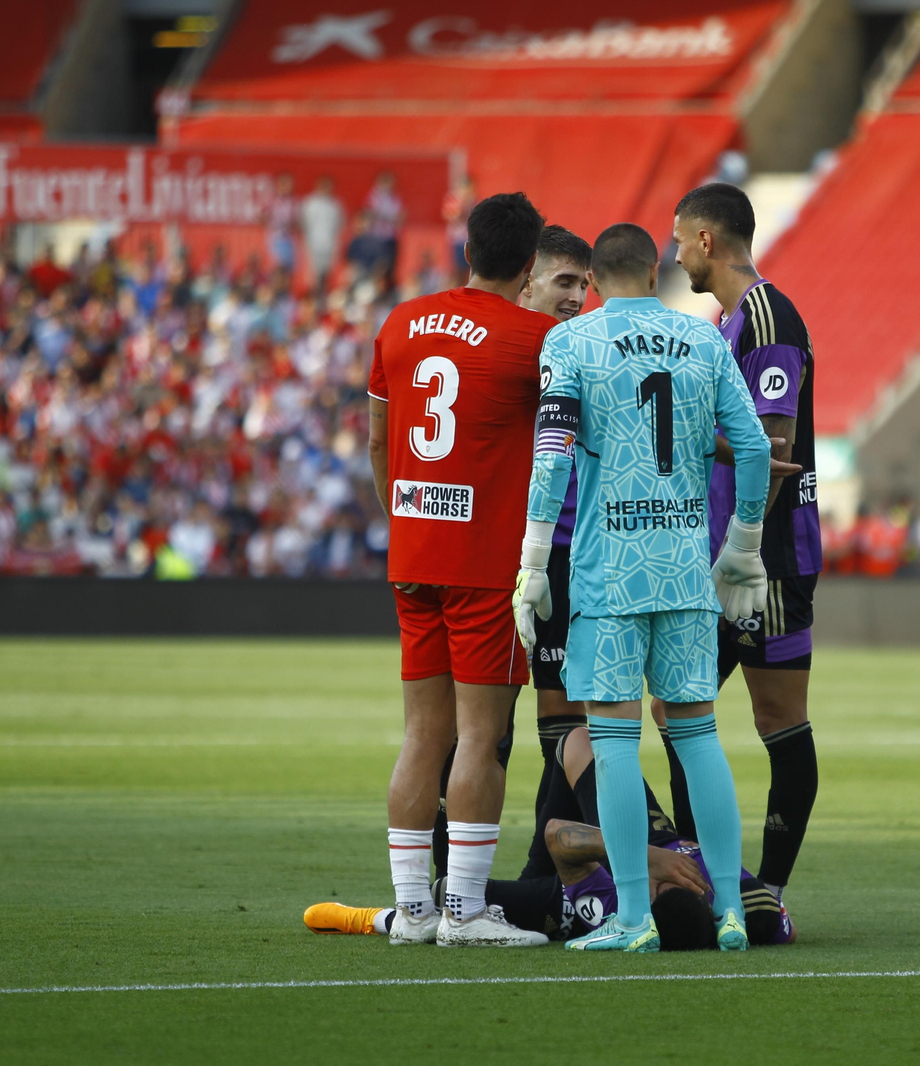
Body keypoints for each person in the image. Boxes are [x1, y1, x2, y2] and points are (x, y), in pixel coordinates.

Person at [513, 222, 773, 952]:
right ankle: (728, 911)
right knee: (696, 737)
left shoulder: (570, 344)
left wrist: (534, 562)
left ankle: (633, 920)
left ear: (592, 281)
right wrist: (743, 550)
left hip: (609, 571)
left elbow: (554, 453)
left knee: (616, 741)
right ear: (657, 270)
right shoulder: (704, 339)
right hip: (687, 565)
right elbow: (752, 447)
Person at [367, 191, 555, 948]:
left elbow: (379, 445)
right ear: (532, 263)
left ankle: (413, 911)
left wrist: (407, 526)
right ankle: (466, 910)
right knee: (480, 737)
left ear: (467, 249)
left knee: (422, 736)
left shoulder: (400, 323)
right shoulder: (536, 339)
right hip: (484, 564)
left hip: (415, 553)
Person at [660, 182, 822, 907]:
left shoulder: (765, 316)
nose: (672, 254)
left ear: (705, 241)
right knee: (678, 708)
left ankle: (768, 889)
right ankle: (706, 875)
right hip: (725, 555)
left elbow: (774, 446)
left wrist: (746, 552)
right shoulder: (726, 322)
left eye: (676, 239)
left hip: (765, 560)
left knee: (775, 718)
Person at [304, 725, 797, 949]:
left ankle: (366, 918)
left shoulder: (609, 901)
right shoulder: (740, 907)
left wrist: (635, 857)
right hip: (652, 844)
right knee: (577, 741)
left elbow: (558, 834)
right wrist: (653, 851)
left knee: (444, 902)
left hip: (566, 886)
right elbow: (779, 920)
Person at [514, 225, 594, 878]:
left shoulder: (583, 350)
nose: (575, 296)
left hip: (563, 554)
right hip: (503, 555)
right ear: (528, 279)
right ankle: (446, 879)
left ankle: (543, 874)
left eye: (584, 284)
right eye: (563, 281)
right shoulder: (511, 349)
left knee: (560, 715)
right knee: (472, 728)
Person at [301, 176, 345, 293]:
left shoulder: (335, 205)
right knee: (313, 276)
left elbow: (340, 226)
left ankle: (323, 298)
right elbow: (303, 224)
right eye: (324, 186)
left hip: (330, 245)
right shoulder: (310, 204)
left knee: (327, 275)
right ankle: (312, 299)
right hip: (313, 244)